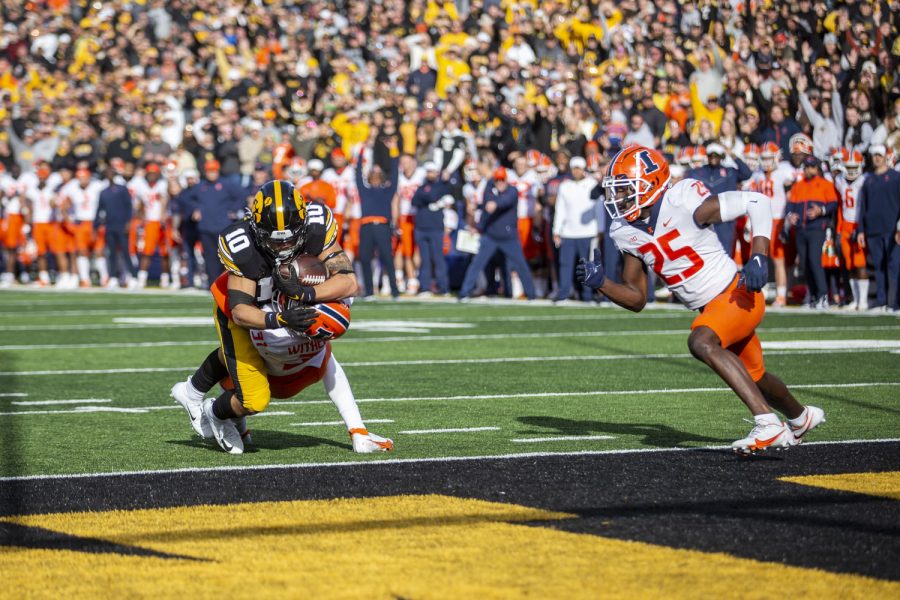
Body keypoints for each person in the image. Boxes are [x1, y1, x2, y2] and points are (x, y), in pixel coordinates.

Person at [576, 145, 824, 454]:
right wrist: (602, 283)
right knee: (756, 378)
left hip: (737, 293)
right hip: (714, 308)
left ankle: (768, 424)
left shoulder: (683, 200)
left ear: (652, 183)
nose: (618, 198)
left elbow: (758, 202)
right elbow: (638, 297)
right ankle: (801, 418)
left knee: (701, 342)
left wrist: (758, 257)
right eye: (616, 191)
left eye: (626, 189)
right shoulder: (623, 231)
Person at [170, 179, 360, 455]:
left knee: (262, 356)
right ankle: (212, 409)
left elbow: (348, 282)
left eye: (292, 238)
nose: (283, 247)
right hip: (240, 309)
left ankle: (191, 391)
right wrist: (281, 321)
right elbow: (241, 312)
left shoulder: (318, 227)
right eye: (274, 239)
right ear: (256, 228)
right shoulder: (243, 247)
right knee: (255, 396)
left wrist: (307, 294)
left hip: (275, 303)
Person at [459, 167, 536, 301]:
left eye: (502, 180)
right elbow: (485, 209)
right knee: (477, 264)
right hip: (491, 236)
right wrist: (477, 227)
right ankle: (464, 292)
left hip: (509, 237)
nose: (500, 183)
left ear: (506, 180)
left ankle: (531, 294)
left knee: (520, 265)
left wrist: (494, 204)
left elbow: (504, 202)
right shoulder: (489, 190)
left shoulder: (512, 191)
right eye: (497, 180)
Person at [784, 155, 839, 309]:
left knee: (815, 262)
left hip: (817, 228)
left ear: (817, 168)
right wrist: (790, 215)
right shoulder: (799, 185)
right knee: (805, 263)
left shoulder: (825, 184)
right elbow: (790, 205)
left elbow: (833, 204)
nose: (808, 170)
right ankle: (813, 296)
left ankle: (823, 295)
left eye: (811, 167)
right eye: (806, 167)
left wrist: (821, 210)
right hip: (802, 228)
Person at [685, 143, 752, 257]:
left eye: (717, 156)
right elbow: (685, 185)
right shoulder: (697, 172)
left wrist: (733, 155)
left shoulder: (730, 172)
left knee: (725, 253)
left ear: (722, 157)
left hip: (725, 219)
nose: (713, 158)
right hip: (705, 218)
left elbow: (747, 173)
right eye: (711, 155)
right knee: (705, 254)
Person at [856, 145, 900, 312]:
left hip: (892, 229)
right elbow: (863, 207)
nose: (876, 158)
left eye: (879, 155)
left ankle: (895, 302)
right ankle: (881, 301)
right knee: (879, 266)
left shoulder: (896, 177)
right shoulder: (868, 180)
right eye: (874, 155)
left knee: (894, 265)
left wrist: (899, 227)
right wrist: (861, 230)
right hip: (873, 229)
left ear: (885, 157)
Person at [355, 141, 400, 298]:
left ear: (381, 177)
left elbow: (395, 175)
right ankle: (368, 291)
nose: (374, 176)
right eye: (372, 174)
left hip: (382, 226)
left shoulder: (388, 190)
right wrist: (361, 152)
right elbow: (357, 174)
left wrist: (393, 152)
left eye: (378, 174)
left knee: (387, 258)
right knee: (365, 258)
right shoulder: (364, 190)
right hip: (366, 226)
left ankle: (395, 291)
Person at [552, 156, 598, 302]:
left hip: (588, 232)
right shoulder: (565, 186)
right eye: (574, 168)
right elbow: (560, 210)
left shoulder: (592, 184)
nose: (576, 171)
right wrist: (556, 230)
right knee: (565, 265)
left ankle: (587, 295)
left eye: (579, 168)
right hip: (568, 233)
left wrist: (599, 231)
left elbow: (598, 210)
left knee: (587, 267)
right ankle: (564, 294)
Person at [58, 166, 108, 287]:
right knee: (81, 251)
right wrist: (68, 220)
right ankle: (84, 279)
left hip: (95, 222)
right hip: (80, 223)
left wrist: (103, 219)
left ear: (89, 177)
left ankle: (105, 278)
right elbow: (64, 206)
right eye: (80, 178)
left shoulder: (98, 186)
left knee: (99, 251)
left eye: (85, 177)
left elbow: (106, 203)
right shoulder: (72, 188)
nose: (82, 180)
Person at [832, 149, 869, 310]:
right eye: (849, 167)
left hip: (858, 224)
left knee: (860, 262)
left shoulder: (865, 180)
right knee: (849, 263)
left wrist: (862, 227)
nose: (852, 171)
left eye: (855, 167)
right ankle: (855, 299)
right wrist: (839, 227)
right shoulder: (840, 180)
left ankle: (863, 300)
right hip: (846, 224)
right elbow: (840, 206)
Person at [410, 161, 452, 295]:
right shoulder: (422, 187)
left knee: (438, 259)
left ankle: (443, 287)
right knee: (425, 259)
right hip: (421, 227)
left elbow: (437, 196)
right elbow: (415, 201)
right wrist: (430, 200)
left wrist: (429, 199)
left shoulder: (442, 186)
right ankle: (425, 287)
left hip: (435, 228)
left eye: (432, 171)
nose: (430, 174)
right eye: (428, 171)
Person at [94, 168, 135, 288]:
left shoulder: (122, 189)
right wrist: (96, 225)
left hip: (122, 225)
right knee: (111, 253)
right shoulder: (104, 192)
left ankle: (132, 276)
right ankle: (113, 277)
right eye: (108, 173)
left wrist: (128, 222)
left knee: (125, 252)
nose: (110, 175)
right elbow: (99, 209)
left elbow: (129, 207)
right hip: (110, 225)